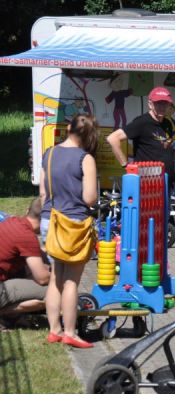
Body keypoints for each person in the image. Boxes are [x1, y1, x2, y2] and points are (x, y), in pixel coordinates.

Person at [39, 114, 99, 348]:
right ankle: (71, 332)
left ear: (68, 128)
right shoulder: (86, 159)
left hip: (49, 220)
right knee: (71, 281)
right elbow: (90, 198)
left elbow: (43, 192)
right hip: (73, 224)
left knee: (56, 276)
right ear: (89, 136)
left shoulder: (49, 154)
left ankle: (54, 329)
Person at [107, 86, 175, 185]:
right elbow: (112, 138)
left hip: (165, 181)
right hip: (147, 182)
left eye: (165, 103)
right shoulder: (142, 122)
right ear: (150, 104)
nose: (162, 106)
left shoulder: (167, 123)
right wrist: (126, 165)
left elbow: (163, 146)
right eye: (158, 103)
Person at [0, 198, 50, 331]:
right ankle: (5, 314)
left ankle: (12, 317)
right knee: (53, 292)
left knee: (26, 270)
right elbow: (42, 278)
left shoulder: (12, 221)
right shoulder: (26, 236)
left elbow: (39, 254)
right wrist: (62, 276)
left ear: (27, 211)